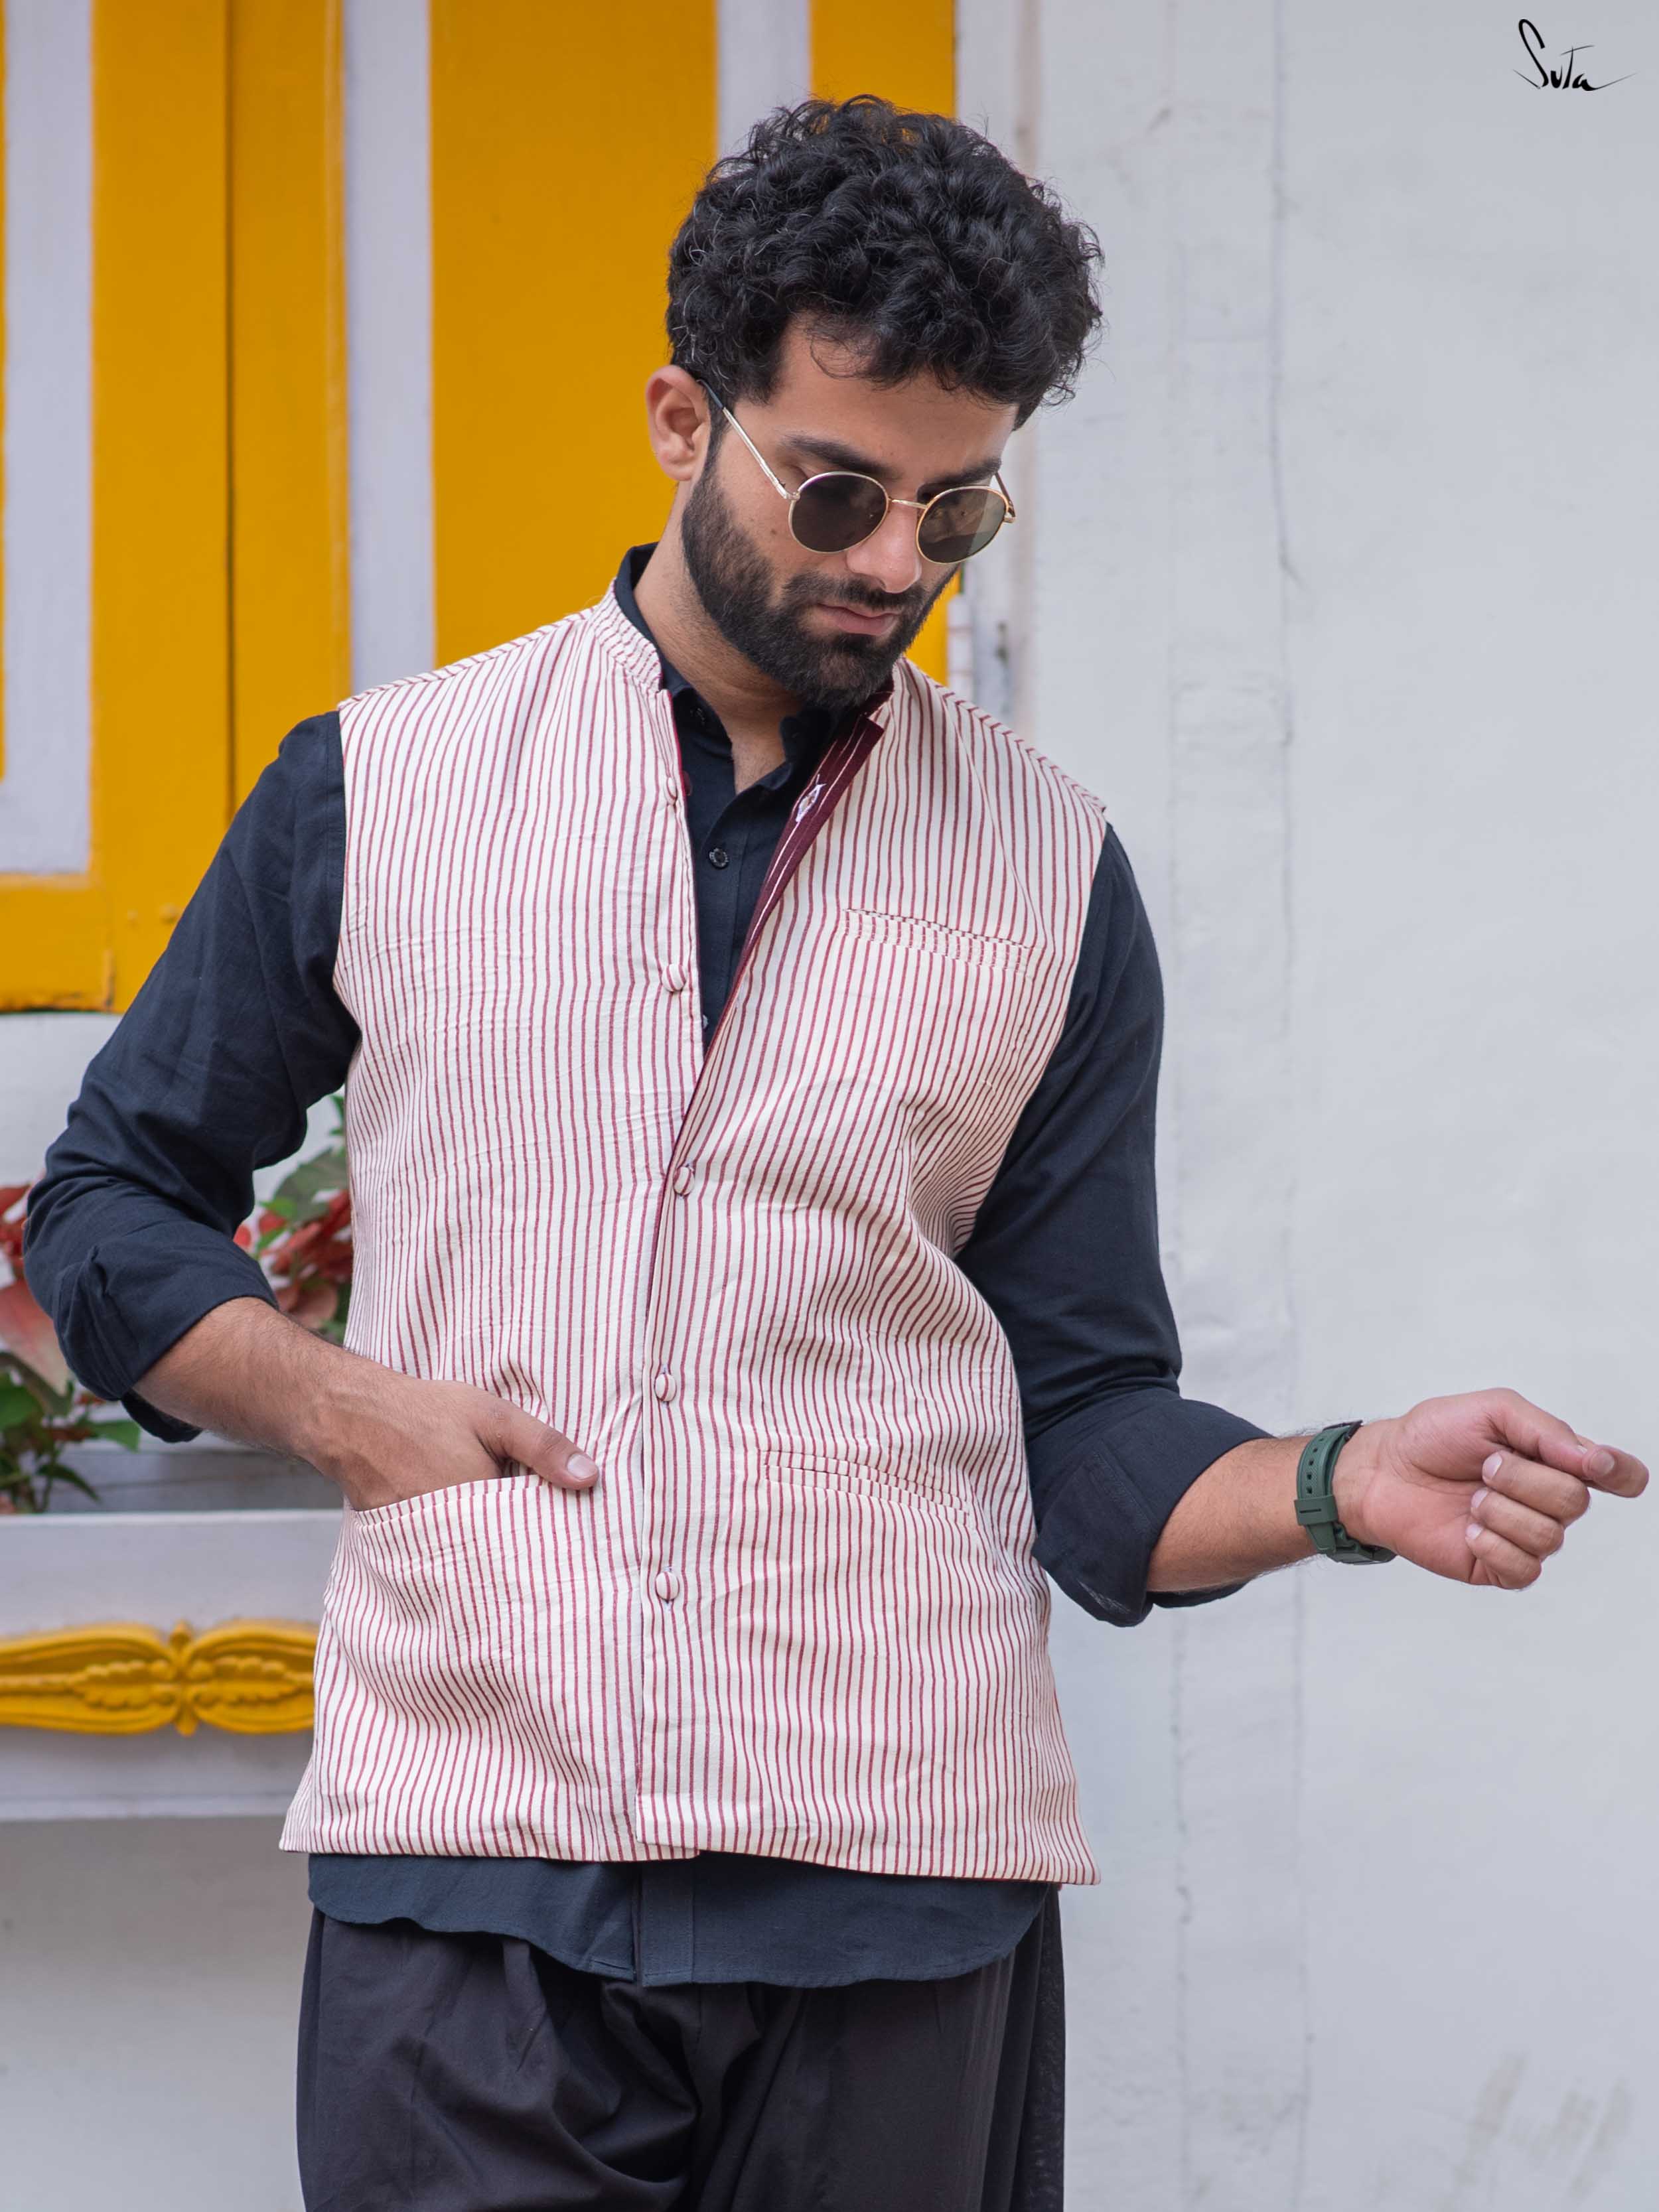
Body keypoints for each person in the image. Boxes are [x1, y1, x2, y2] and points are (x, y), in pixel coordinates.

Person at [23, 98, 1646, 2212]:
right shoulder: (383, 789)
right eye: (837, 490)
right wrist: (340, 1407)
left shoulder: (1051, 869)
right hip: (470, 1879)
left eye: (954, 509)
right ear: (681, 419)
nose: (894, 563)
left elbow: (1082, 1416)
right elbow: (112, 1207)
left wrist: (1331, 1484)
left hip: (902, 1901)